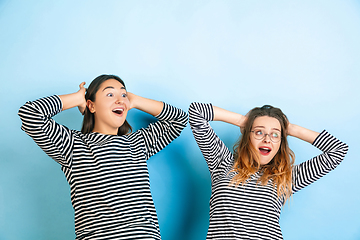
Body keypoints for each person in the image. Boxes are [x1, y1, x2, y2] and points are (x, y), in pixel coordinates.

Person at [18, 74, 188, 240]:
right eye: (110, 94)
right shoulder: (73, 145)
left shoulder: (138, 143)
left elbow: (178, 119)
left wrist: (135, 100)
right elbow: (30, 114)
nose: (120, 99)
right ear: (91, 106)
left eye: (123, 94)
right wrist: (77, 98)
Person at [188, 102, 348, 239]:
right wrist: (244, 121)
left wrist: (290, 128)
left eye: (275, 135)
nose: (267, 139)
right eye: (259, 132)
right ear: (247, 135)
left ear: (281, 143)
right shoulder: (222, 162)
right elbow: (197, 112)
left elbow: (338, 150)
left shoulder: (286, 178)